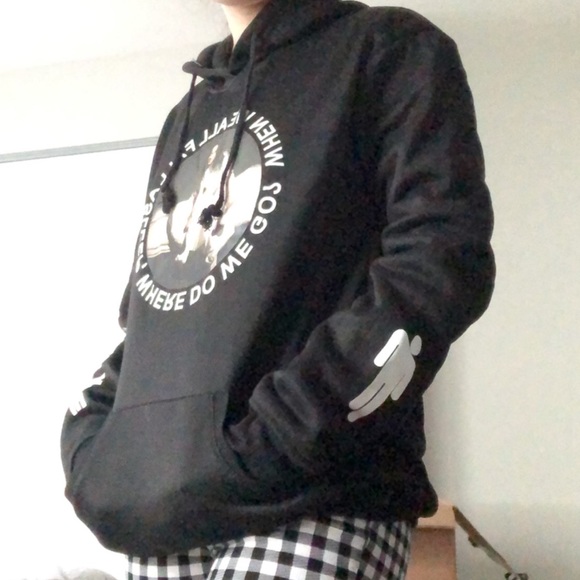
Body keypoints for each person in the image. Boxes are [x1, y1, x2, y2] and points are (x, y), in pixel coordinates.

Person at [61, 0, 495, 578]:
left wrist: (286, 432)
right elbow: (150, 314)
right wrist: (94, 451)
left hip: (316, 496)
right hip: (163, 517)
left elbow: (439, 260)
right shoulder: (187, 115)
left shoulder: (388, 47)